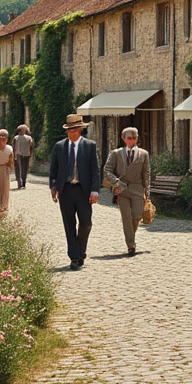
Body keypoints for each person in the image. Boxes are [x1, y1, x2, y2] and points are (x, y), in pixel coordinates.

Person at [48, 113, 100, 270]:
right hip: (66, 190)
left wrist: (95, 190)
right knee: (69, 225)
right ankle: (74, 257)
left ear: (79, 130)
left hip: (83, 191)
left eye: (73, 130)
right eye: (68, 131)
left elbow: (95, 170)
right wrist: (53, 186)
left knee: (86, 223)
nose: (71, 133)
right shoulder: (59, 147)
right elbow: (54, 169)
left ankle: (80, 250)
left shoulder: (89, 146)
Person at [103, 127, 150, 256]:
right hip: (121, 189)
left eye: (135, 137)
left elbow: (146, 173)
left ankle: (131, 236)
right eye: (129, 138)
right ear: (123, 139)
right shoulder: (116, 154)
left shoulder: (143, 154)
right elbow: (107, 170)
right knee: (126, 218)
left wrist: (147, 191)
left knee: (137, 216)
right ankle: (131, 244)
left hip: (137, 188)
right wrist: (116, 183)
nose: (132, 140)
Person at [13, 125, 34, 189]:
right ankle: (23, 183)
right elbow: (31, 145)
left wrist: (14, 154)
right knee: (24, 169)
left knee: (19, 169)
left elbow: (14, 147)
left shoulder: (16, 138)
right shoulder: (29, 138)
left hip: (18, 154)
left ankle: (20, 183)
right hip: (26, 154)